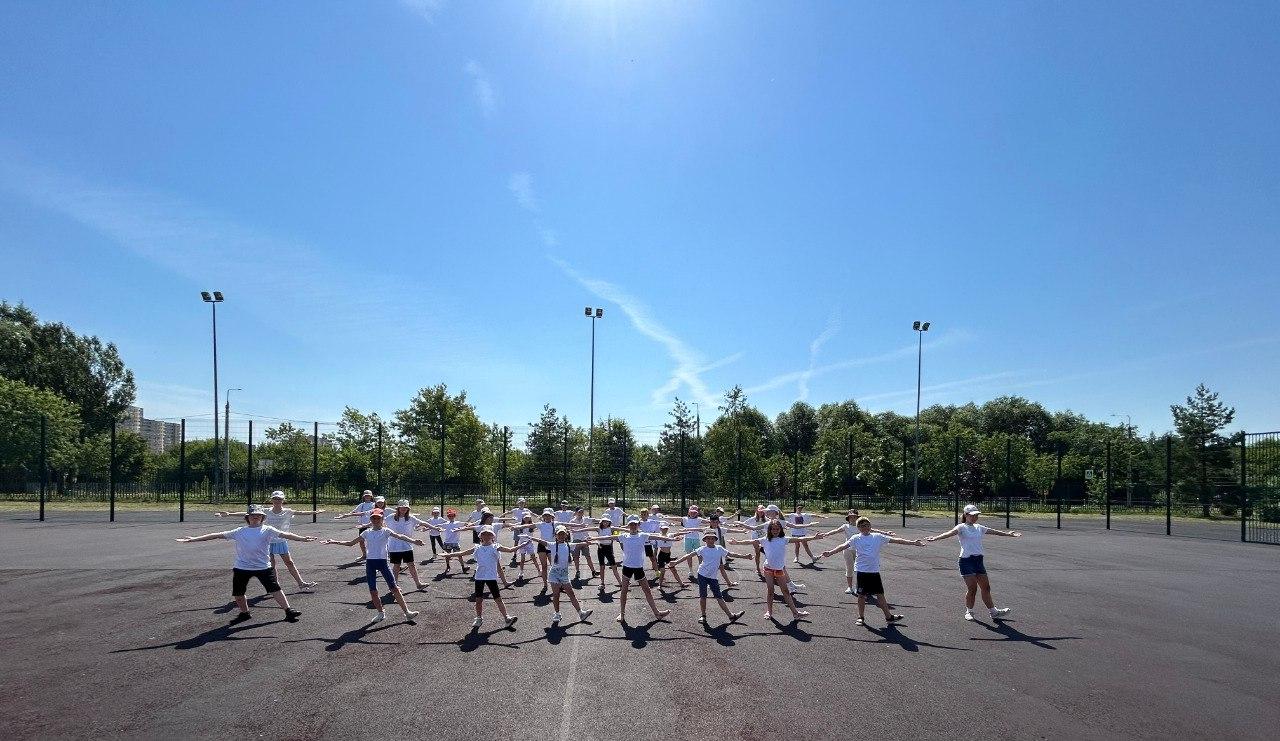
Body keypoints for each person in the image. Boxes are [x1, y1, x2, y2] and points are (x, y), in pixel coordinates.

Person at [175, 504, 312, 624]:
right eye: (253, 515)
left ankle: (288, 611)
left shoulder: (268, 530)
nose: (255, 517)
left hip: (263, 567)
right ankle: (245, 613)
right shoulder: (239, 531)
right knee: (238, 594)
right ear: (247, 517)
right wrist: (194, 539)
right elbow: (216, 534)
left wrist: (302, 539)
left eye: (258, 515)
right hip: (242, 567)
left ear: (263, 517)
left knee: (275, 589)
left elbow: (285, 535)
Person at [322, 508, 423, 624]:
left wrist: (414, 541)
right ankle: (381, 613)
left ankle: (407, 613)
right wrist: (334, 541)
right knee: (373, 591)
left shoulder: (386, 531)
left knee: (394, 588)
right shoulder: (366, 532)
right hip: (370, 563)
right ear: (371, 519)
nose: (375, 520)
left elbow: (400, 536)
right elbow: (350, 543)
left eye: (378, 518)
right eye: (373, 518)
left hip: (383, 563)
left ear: (382, 519)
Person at [818, 516, 923, 626]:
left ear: (870, 526)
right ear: (858, 527)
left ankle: (889, 617)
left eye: (867, 525)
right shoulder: (856, 538)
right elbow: (843, 546)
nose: (865, 527)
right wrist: (830, 552)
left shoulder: (877, 537)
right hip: (862, 571)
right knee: (861, 595)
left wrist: (913, 542)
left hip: (874, 571)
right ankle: (861, 617)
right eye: (862, 526)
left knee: (880, 594)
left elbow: (896, 540)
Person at [925, 504, 1021, 621]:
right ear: (966, 515)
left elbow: (994, 531)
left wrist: (1008, 534)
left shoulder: (979, 527)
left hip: (978, 561)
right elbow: (949, 533)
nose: (975, 517)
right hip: (966, 561)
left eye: (977, 515)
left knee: (986, 588)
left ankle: (993, 612)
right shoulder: (961, 527)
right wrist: (935, 538)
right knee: (972, 588)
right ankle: (969, 611)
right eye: (972, 515)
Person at [214, 491, 324, 591]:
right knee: (272, 565)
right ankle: (275, 585)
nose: (277, 501)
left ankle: (301, 583)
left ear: (283, 500)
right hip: (267, 541)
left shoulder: (288, 511)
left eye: (279, 499)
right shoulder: (265, 511)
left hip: (281, 541)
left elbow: (302, 513)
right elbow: (247, 514)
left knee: (289, 562)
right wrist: (229, 514)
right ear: (272, 500)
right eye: (275, 499)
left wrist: (316, 512)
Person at [728, 519, 819, 621]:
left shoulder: (784, 539)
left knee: (785, 591)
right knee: (770, 591)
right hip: (768, 569)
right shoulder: (765, 539)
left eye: (777, 529)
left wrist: (814, 538)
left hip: (779, 570)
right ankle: (769, 612)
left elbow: (799, 539)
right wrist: (737, 543)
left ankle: (796, 613)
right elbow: (751, 541)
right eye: (773, 529)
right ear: (770, 530)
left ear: (780, 529)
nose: (775, 530)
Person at [589, 516, 674, 623]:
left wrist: (671, 539)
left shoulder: (643, 535)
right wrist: (593, 538)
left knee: (647, 590)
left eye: (635, 524)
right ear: (628, 526)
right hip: (627, 568)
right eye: (631, 525)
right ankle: (622, 614)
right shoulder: (624, 536)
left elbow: (658, 537)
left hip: (638, 568)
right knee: (624, 591)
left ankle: (657, 613)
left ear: (638, 526)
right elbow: (609, 537)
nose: (633, 526)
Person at [670, 530, 751, 625]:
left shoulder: (719, 548)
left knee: (719, 597)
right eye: (708, 538)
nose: (710, 540)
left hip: (713, 577)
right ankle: (703, 616)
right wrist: (676, 562)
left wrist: (745, 556)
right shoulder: (702, 549)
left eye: (712, 538)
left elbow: (731, 554)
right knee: (703, 596)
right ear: (705, 540)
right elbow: (689, 555)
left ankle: (731, 616)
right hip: (702, 575)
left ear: (715, 539)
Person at [449, 526, 520, 629]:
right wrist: (447, 555)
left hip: (491, 577)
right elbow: (461, 553)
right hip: (479, 577)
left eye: (489, 534)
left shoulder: (496, 546)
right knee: (478, 599)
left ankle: (507, 618)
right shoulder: (477, 547)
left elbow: (510, 550)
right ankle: (478, 618)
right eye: (484, 534)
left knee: (498, 598)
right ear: (480, 536)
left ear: (493, 537)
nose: (486, 536)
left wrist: (522, 544)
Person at [526, 526, 595, 625]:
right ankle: (557, 614)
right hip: (554, 574)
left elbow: (580, 543)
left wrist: (589, 542)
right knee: (556, 594)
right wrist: (530, 537)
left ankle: (581, 613)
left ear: (566, 535)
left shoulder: (569, 545)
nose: (561, 536)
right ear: (556, 536)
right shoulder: (552, 544)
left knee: (571, 593)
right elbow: (541, 541)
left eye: (563, 534)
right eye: (559, 534)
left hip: (564, 574)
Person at [819, 511, 897, 595]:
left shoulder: (860, 526)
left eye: (854, 517)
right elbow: (836, 531)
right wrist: (826, 534)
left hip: (859, 550)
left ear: (857, 518)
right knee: (849, 568)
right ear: (848, 518)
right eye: (851, 517)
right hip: (848, 549)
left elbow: (873, 530)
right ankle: (849, 587)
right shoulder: (845, 526)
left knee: (860, 570)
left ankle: (859, 587)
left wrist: (886, 533)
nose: (852, 518)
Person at [386, 500, 430, 591]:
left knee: (411, 565)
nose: (404, 509)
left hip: (407, 546)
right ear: (398, 508)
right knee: (396, 566)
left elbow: (422, 523)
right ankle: (395, 586)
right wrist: (366, 525)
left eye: (406, 507)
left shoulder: (410, 518)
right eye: (402, 507)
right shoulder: (390, 517)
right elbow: (377, 521)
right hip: (394, 547)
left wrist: (434, 528)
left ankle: (418, 584)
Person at [420, 508, 471, 574]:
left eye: (452, 516)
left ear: (454, 516)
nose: (451, 517)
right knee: (447, 555)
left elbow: (467, 524)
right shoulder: (446, 524)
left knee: (459, 555)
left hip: (455, 543)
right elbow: (435, 526)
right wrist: (426, 529)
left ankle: (463, 567)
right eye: (449, 516)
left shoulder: (458, 523)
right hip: (447, 543)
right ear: (448, 517)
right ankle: (448, 567)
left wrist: (464, 527)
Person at [333, 490, 376, 560]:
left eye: (368, 496)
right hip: (361, 526)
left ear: (371, 496)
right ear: (363, 497)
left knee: (371, 542)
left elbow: (362, 513)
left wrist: (350, 514)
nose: (367, 497)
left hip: (370, 526)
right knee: (361, 541)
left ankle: (372, 555)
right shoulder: (361, 505)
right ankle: (364, 555)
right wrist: (343, 516)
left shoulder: (374, 505)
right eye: (366, 496)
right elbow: (353, 512)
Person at [592, 516, 624, 591]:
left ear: (609, 522)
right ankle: (602, 583)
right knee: (602, 566)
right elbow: (588, 529)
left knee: (614, 566)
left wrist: (630, 530)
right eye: (603, 521)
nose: (605, 523)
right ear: (601, 522)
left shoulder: (611, 528)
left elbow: (621, 529)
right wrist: (576, 531)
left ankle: (620, 583)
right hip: (601, 548)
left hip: (608, 548)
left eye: (607, 521)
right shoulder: (598, 529)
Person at [568, 507, 599, 581]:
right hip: (576, 540)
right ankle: (577, 571)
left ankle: (593, 571)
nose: (581, 513)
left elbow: (594, 520)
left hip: (585, 540)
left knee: (588, 556)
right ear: (576, 512)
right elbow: (569, 529)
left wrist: (603, 520)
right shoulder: (572, 521)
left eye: (582, 511)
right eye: (579, 512)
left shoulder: (586, 519)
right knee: (576, 557)